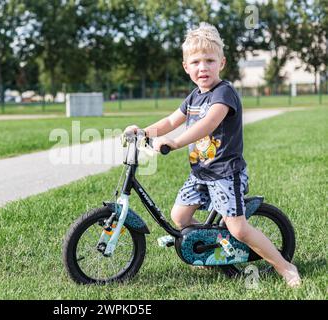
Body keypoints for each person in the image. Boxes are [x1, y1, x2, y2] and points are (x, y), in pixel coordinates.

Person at [124, 23, 301, 288]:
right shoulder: (194, 97)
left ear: (222, 63)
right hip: (201, 174)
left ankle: (285, 267)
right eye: (195, 62)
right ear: (186, 67)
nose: (202, 67)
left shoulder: (224, 93)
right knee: (180, 217)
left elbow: (206, 125)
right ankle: (211, 245)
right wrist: (142, 132)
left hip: (225, 174)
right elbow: (171, 121)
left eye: (209, 60)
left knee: (238, 228)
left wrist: (175, 143)